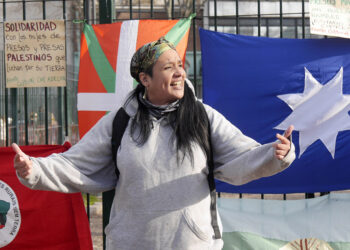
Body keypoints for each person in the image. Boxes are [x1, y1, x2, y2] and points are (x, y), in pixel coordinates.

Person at [13, 37, 295, 250]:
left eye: (180, 66)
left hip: (193, 244)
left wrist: (275, 155)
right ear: (145, 79)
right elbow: (75, 164)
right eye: (168, 67)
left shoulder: (202, 117)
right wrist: (34, 169)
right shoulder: (120, 121)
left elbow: (241, 156)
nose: (179, 73)